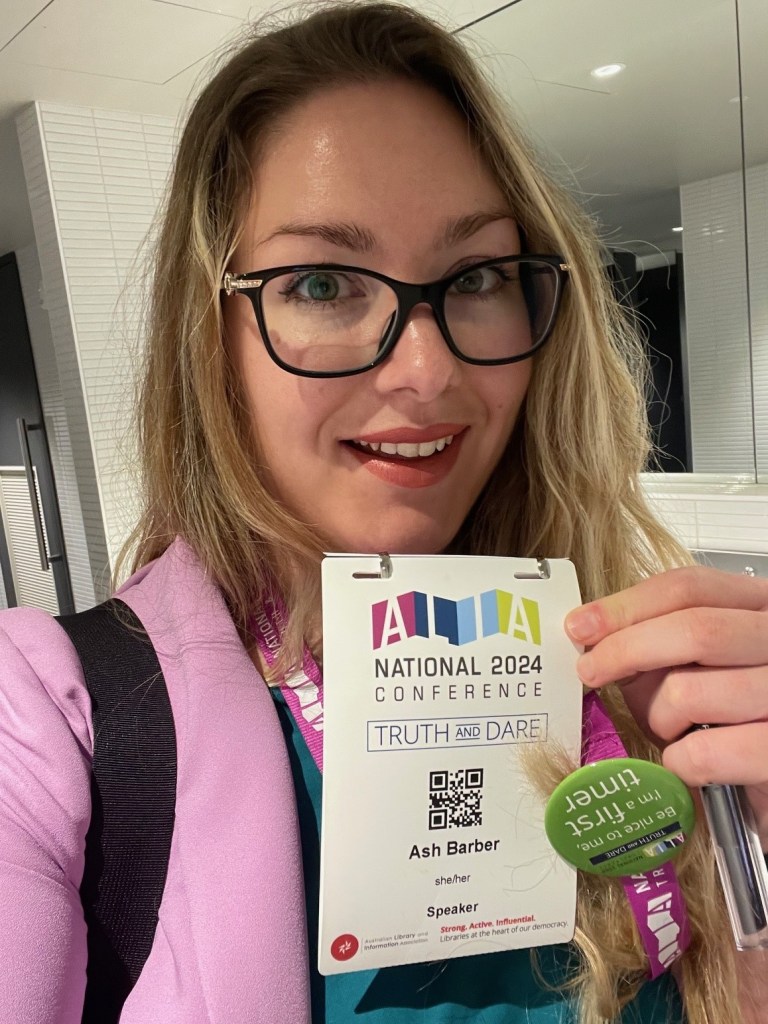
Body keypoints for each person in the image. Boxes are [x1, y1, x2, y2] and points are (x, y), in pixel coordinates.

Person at [1, 3, 766, 1022]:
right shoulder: (56, 730)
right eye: (323, 281)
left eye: (480, 275)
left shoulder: (636, 689)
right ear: (211, 335)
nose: (427, 369)